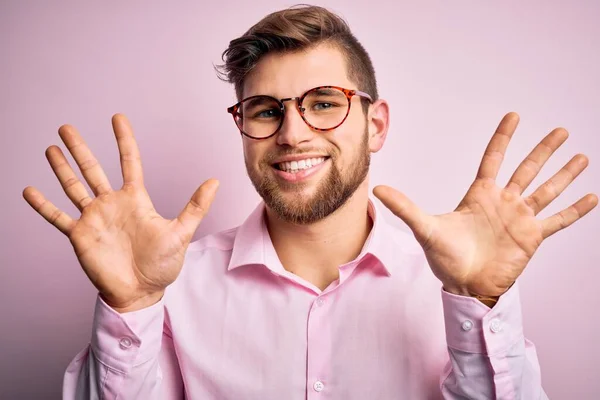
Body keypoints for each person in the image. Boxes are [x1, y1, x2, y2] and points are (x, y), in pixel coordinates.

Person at [22, 5, 597, 400]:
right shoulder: (172, 292)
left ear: (376, 125)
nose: (292, 133)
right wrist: (133, 303)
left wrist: (478, 301)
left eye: (324, 103)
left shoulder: (451, 284)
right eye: (267, 109)